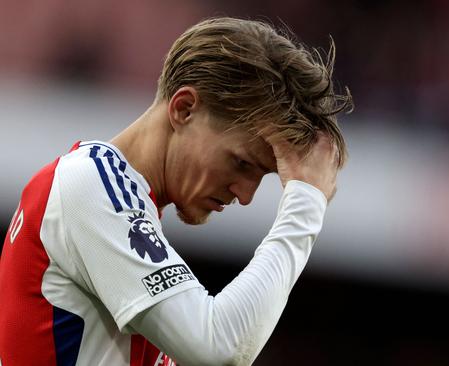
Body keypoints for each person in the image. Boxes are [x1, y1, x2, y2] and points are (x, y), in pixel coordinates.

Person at [0, 16, 352, 366]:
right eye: (242, 163)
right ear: (184, 108)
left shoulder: (116, 201)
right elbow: (218, 348)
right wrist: (304, 204)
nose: (245, 195)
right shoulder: (89, 185)